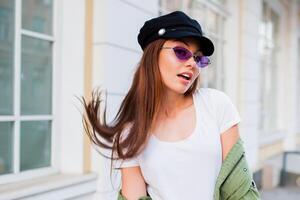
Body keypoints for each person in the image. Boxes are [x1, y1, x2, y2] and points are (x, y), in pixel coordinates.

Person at [82, 11, 260, 200]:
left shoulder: (217, 105)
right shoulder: (130, 133)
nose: (192, 63)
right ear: (153, 54)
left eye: (198, 58)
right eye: (181, 52)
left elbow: (240, 194)